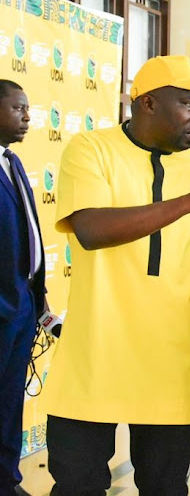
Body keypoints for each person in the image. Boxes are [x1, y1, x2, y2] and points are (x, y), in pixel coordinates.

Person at [40, 55, 190, 495]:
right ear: (148, 103)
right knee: (77, 485)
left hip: (169, 365)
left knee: (166, 486)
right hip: (93, 359)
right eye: (189, 104)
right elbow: (91, 230)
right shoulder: (91, 149)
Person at [0, 80, 44, 496]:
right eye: (18, 108)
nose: (27, 117)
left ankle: (7, 480)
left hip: (22, 306)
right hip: (2, 309)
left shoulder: (11, 163)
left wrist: (39, 299)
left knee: (11, 402)